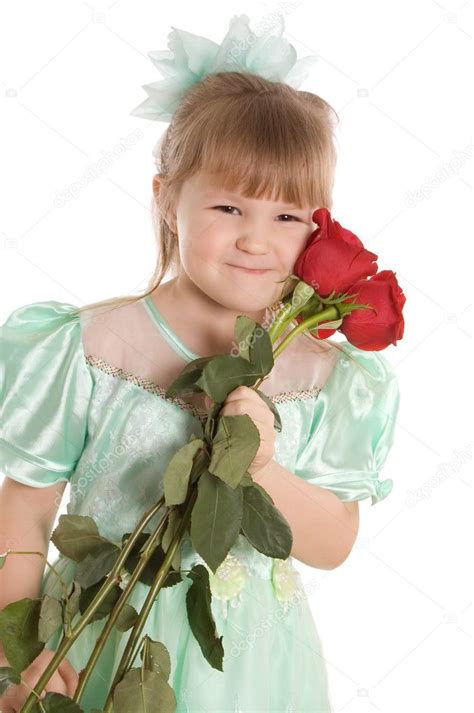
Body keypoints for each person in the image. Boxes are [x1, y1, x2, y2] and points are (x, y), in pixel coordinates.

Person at [0, 14, 400, 713]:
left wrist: (261, 465)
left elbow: (332, 541)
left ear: (319, 223)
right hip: (99, 642)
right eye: (228, 205)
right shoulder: (91, 348)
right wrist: (24, 652)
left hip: (253, 667)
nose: (255, 239)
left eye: (286, 216)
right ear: (167, 200)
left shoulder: (321, 377)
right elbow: (26, 510)